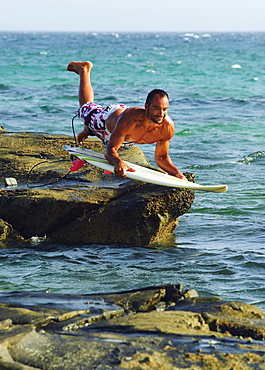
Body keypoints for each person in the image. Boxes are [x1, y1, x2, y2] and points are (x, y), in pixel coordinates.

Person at [67, 61, 187, 180]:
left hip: (125, 138)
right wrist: (118, 162)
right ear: (146, 107)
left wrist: (178, 174)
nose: (161, 114)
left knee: (120, 143)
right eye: (156, 108)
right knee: (86, 108)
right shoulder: (131, 121)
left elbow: (161, 157)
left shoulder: (167, 127)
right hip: (107, 120)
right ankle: (84, 70)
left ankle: (87, 130)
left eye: (164, 109)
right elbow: (109, 150)